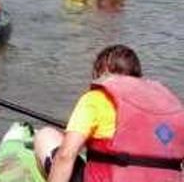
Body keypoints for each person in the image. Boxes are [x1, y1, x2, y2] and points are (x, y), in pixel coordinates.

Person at [34, 45, 183, 182]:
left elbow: (65, 156)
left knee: (45, 135)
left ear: (102, 73)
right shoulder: (172, 104)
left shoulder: (96, 98)